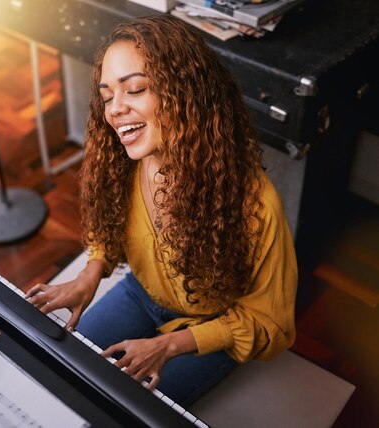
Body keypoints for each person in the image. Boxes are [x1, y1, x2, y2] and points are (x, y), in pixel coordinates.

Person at [26, 14, 297, 407]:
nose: (114, 110)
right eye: (106, 96)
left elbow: (269, 322)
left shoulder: (256, 204)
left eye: (134, 89)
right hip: (140, 294)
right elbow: (111, 222)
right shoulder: (122, 161)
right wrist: (92, 271)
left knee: (128, 409)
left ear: (186, 92)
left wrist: (168, 346)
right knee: (63, 370)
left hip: (212, 325)